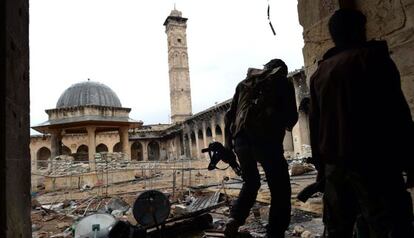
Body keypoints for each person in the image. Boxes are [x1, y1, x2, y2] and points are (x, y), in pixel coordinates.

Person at [309, 8, 414, 238]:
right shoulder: (373, 59)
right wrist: (410, 160)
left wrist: (322, 171)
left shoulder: (319, 74)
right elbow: (397, 114)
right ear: (359, 30)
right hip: (373, 162)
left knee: (338, 229)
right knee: (389, 225)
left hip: (335, 168)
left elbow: (315, 128)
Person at [224, 59, 298, 238]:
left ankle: (233, 220)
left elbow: (229, 117)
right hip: (266, 141)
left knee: (251, 182)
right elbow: (291, 118)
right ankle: (274, 233)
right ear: (282, 71)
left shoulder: (244, 84)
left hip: (240, 140)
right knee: (280, 188)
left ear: (265, 69)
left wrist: (229, 146)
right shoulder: (282, 81)